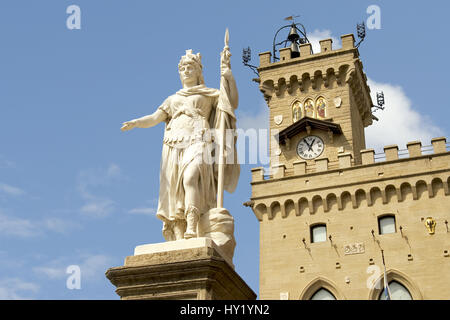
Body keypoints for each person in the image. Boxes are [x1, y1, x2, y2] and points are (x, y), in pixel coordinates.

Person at [121, 48, 239, 243]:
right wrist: (136, 122)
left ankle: (192, 226)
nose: (186, 71)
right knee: (175, 191)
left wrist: (228, 75)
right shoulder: (172, 99)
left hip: (199, 139)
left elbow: (231, 103)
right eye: (183, 68)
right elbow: (154, 118)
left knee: (191, 176)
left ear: (198, 71)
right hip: (173, 144)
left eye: (190, 67)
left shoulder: (209, 94)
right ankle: (179, 231)